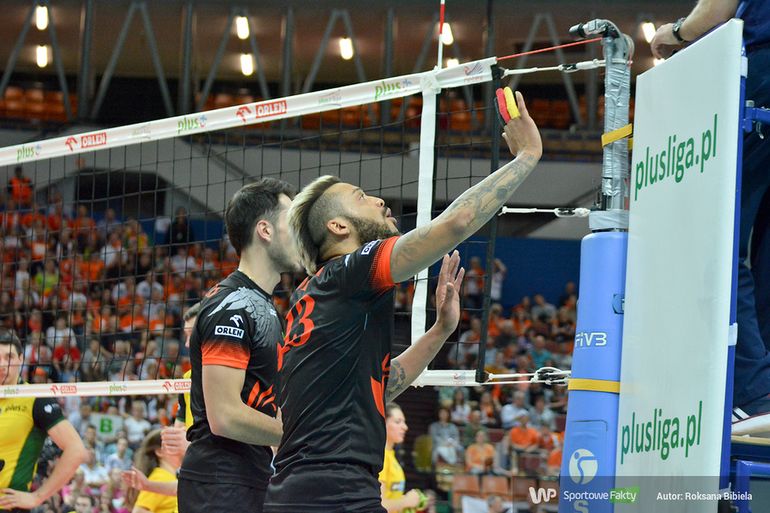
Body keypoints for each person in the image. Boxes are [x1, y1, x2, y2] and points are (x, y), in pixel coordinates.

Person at [266, 93, 540, 512]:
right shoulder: (351, 270)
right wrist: (526, 157)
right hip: (333, 490)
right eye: (361, 196)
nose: (379, 201)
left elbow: (383, 384)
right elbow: (457, 222)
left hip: (306, 489)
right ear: (338, 226)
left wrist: (441, 330)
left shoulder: (316, 292)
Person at [651, 0, 770, 433]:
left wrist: (676, 32)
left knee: (720, 240)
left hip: (762, 74)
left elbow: (717, 9)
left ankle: (755, 395)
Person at [177, 178, 299, 513]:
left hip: (247, 477)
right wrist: (298, 433)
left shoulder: (264, 307)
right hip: (220, 483)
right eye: (291, 222)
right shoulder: (232, 306)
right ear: (265, 230)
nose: (299, 233)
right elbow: (224, 416)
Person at [0, 328, 88, 511]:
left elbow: (77, 450)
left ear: (21, 359)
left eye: (9, 357)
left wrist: (37, 497)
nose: (2, 364)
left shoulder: (35, 399)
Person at [379, 404, 428, 513]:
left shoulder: (391, 456)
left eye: (404, 422)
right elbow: (379, 505)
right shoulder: (381, 458)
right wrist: (406, 501)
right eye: (398, 422)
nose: (405, 427)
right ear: (383, 424)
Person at [127, 430, 180, 513]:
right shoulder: (160, 477)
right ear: (159, 452)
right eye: (173, 445)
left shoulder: (167, 476)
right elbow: (139, 511)